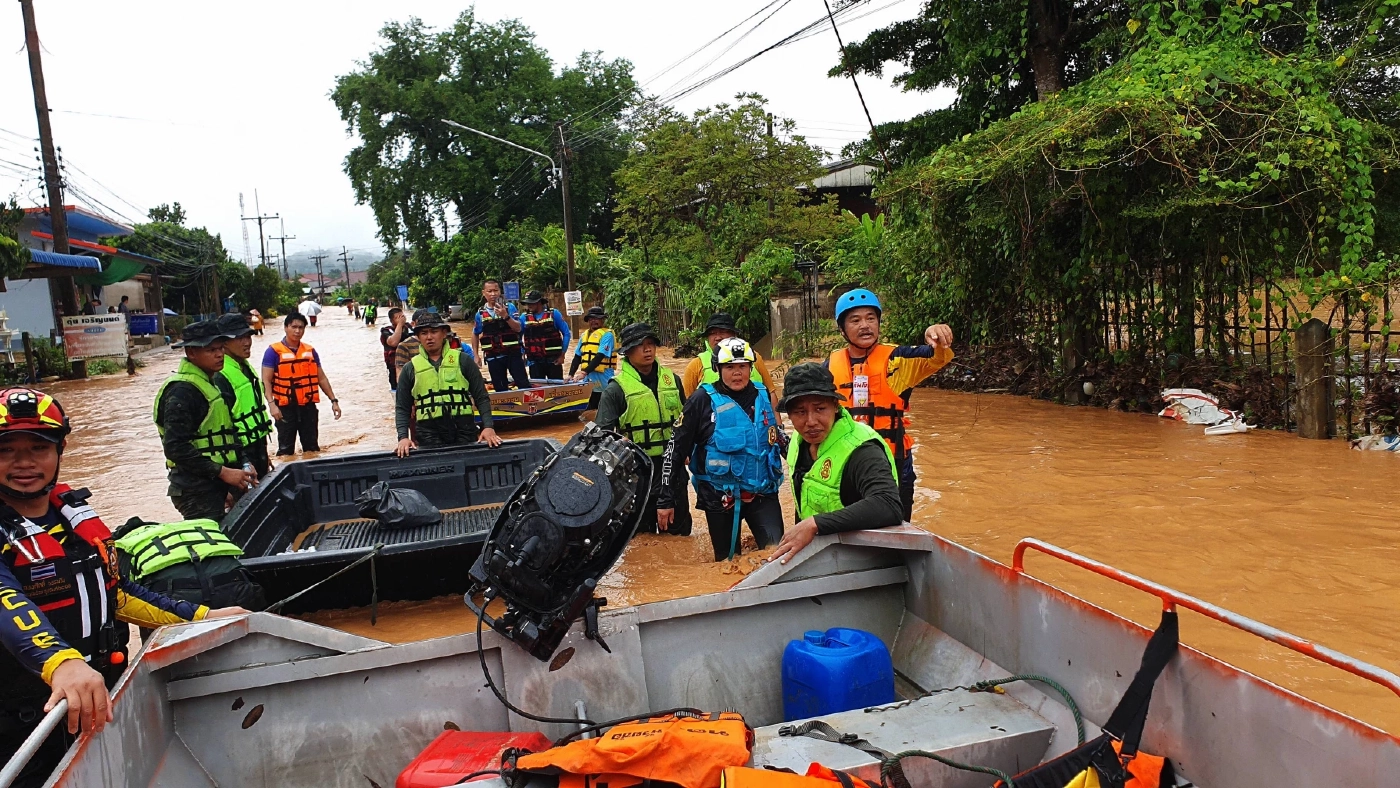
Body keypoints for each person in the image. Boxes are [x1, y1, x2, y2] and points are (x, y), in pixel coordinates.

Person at [0, 388, 248, 787]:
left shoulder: (73, 520)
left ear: (60, 451)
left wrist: (202, 617)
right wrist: (61, 662)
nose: (25, 462)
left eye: (38, 447)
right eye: (7, 450)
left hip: (95, 703)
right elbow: (5, 602)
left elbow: (116, 595)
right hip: (23, 723)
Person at [826, 289, 954, 521]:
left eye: (870, 318)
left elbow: (937, 357)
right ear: (842, 329)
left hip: (893, 462)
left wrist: (935, 336)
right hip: (848, 464)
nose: (865, 325)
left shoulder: (898, 360)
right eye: (855, 320)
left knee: (897, 527)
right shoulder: (829, 366)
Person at [659, 338, 784, 561]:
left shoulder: (764, 395)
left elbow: (778, 438)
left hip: (763, 493)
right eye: (730, 367)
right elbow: (675, 450)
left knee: (776, 556)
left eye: (742, 366)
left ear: (750, 368)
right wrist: (666, 500)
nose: (737, 373)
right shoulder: (701, 401)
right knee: (728, 565)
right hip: (720, 497)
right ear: (717, 368)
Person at [769, 363, 903, 565]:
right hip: (823, 554)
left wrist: (814, 524)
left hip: (865, 561)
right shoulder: (798, 441)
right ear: (789, 414)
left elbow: (888, 504)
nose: (811, 421)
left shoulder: (862, 450)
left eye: (820, 409)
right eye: (800, 412)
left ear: (836, 406)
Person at [594, 323, 691, 537]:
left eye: (651, 344)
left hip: (672, 466)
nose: (647, 350)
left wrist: (690, 453)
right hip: (637, 472)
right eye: (640, 345)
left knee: (680, 535)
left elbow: (687, 423)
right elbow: (601, 436)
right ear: (627, 352)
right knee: (640, 537)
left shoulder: (672, 381)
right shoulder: (615, 389)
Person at [153, 320, 254, 523]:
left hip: (215, 482)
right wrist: (223, 473)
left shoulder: (211, 383)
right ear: (191, 353)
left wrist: (243, 462)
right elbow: (176, 448)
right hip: (195, 489)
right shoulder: (182, 392)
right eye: (211, 350)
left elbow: (227, 431)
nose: (219, 355)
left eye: (220, 348)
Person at [394, 312, 500, 457]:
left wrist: (488, 427)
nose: (429, 337)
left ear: (444, 333)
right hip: (428, 433)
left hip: (464, 428)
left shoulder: (463, 360)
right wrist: (403, 437)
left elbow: (481, 396)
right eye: (424, 333)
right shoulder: (410, 368)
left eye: (434, 331)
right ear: (418, 337)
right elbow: (402, 407)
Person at [114, 516, 266, 611]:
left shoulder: (122, 546)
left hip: (175, 596)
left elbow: (119, 601)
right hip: (237, 585)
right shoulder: (193, 529)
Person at [262, 313, 341, 456]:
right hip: (284, 408)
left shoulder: (310, 351)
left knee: (312, 449)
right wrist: (272, 405)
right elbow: (266, 381)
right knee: (286, 451)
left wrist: (333, 401)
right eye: (294, 327)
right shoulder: (273, 352)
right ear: (285, 327)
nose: (297, 331)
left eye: (301, 328)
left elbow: (321, 378)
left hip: (307, 407)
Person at [215, 313, 273, 479]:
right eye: (239, 338)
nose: (247, 342)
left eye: (248, 336)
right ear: (224, 342)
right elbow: (224, 426)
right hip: (240, 455)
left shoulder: (244, 367)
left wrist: (263, 455)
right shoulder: (221, 375)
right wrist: (244, 462)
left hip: (257, 446)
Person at [682, 313, 779, 411]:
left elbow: (771, 393)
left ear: (734, 335)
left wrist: (778, 425)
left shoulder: (753, 357)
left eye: (723, 332)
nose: (718, 337)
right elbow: (690, 403)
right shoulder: (696, 365)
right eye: (712, 333)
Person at [472, 279, 532, 392]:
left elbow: (518, 328)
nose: (493, 294)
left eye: (496, 290)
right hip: (493, 356)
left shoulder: (509, 308)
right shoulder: (480, 313)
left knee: (523, 383)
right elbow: (475, 334)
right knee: (500, 387)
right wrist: (476, 355)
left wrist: (506, 316)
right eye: (489, 291)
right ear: (483, 293)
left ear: (500, 291)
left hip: (513, 354)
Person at [520, 291, 570, 381]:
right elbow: (518, 336)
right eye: (527, 303)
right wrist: (522, 352)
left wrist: (562, 355)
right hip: (534, 361)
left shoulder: (554, 314)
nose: (529, 305)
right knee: (537, 391)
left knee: (557, 390)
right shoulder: (524, 317)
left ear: (539, 302)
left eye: (531, 303)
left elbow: (566, 333)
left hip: (553, 360)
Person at [569, 306, 616, 391]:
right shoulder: (584, 336)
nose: (593, 321)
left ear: (602, 320)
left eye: (596, 318)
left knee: (602, 399)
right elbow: (577, 357)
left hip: (604, 378)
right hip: (589, 377)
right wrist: (571, 374)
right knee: (590, 401)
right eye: (591, 319)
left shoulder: (607, 335)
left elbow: (600, 356)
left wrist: (583, 372)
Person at [381, 307, 408, 390]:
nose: (401, 319)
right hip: (395, 368)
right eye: (398, 318)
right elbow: (393, 342)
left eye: (402, 316)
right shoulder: (386, 332)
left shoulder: (410, 328)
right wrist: (400, 325)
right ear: (392, 321)